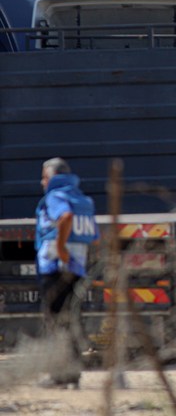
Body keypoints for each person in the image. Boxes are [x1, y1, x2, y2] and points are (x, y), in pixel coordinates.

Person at [35, 157, 99, 389]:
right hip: (76, 269)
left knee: (55, 323)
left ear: (52, 177)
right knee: (70, 322)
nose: (42, 182)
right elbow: (93, 236)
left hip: (55, 269)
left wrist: (61, 250)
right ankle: (72, 375)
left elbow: (65, 217)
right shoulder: (83, 200)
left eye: (44, 176)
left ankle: (59, 376)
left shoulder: (56, 196)